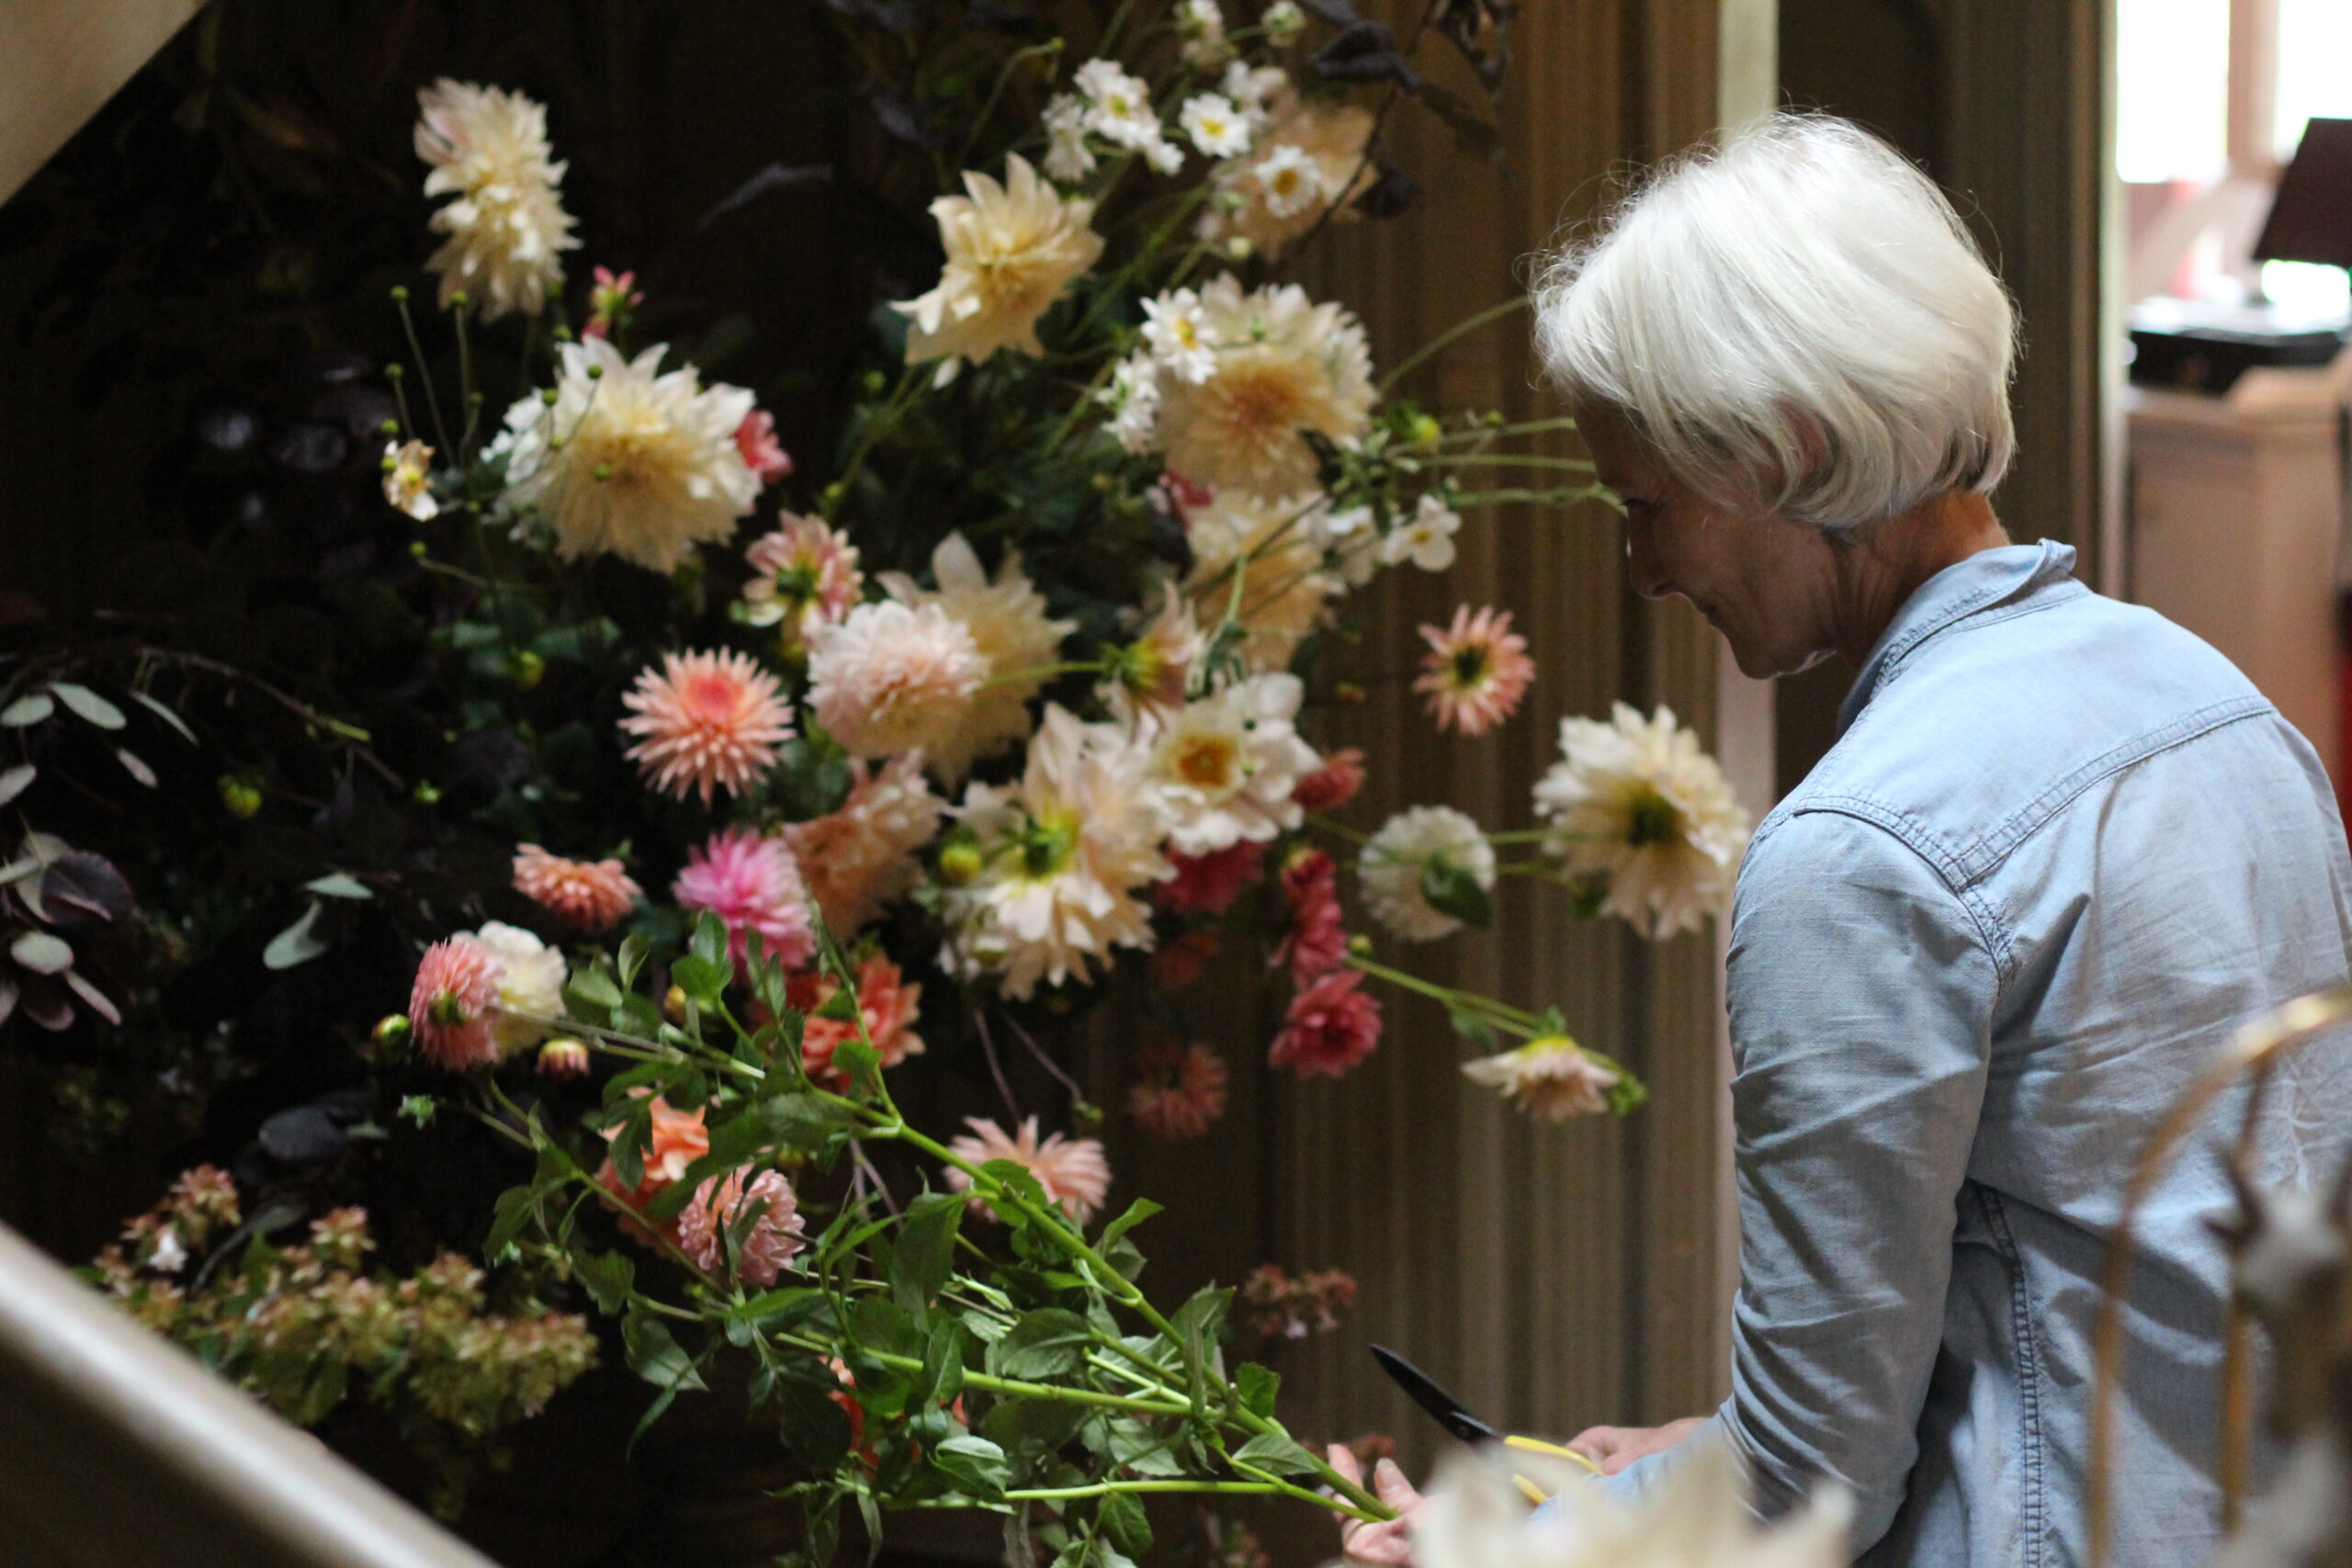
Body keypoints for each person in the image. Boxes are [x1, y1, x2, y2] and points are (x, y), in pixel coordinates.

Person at [1330, 115, 2352, 1568]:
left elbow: (1808, 1497)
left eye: (1649, 505)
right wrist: (1697, 1452)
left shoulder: (1862, 855)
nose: (1644, 566)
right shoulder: (2224, 709)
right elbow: (2116, 1284)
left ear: (1790, 449)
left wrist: (1495, 1541)